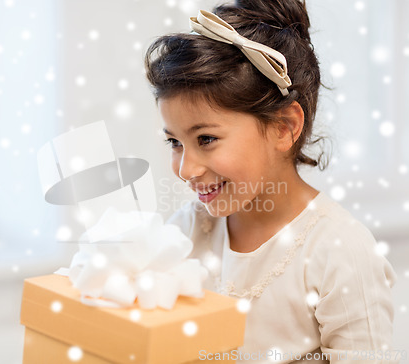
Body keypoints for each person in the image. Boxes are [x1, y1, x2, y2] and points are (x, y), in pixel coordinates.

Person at [144, 0, 398, 363]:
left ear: (284, 127)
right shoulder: (187, 232)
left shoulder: (339, 252)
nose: (186, 169)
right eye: (175, 142)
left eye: (206, 139)